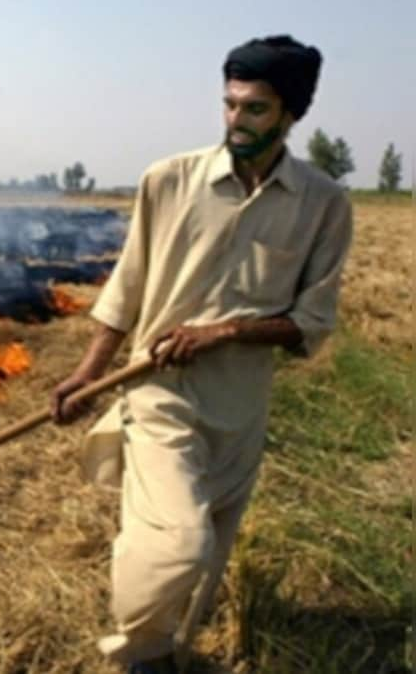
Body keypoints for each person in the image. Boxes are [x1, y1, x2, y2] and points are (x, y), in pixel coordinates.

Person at [49, 35, 353, 673]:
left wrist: (225, 331)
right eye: (230, 105)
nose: (236, 122)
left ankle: (169, 650)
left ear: (292, 114)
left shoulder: (325, 204)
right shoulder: (169, 180)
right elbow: (126, 288)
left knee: (208, 552)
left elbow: (312, 321)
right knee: (178, 543)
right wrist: (87, 375)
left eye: (256, 110)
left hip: (241, 407)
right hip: (160, 393)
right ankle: (139, 655)